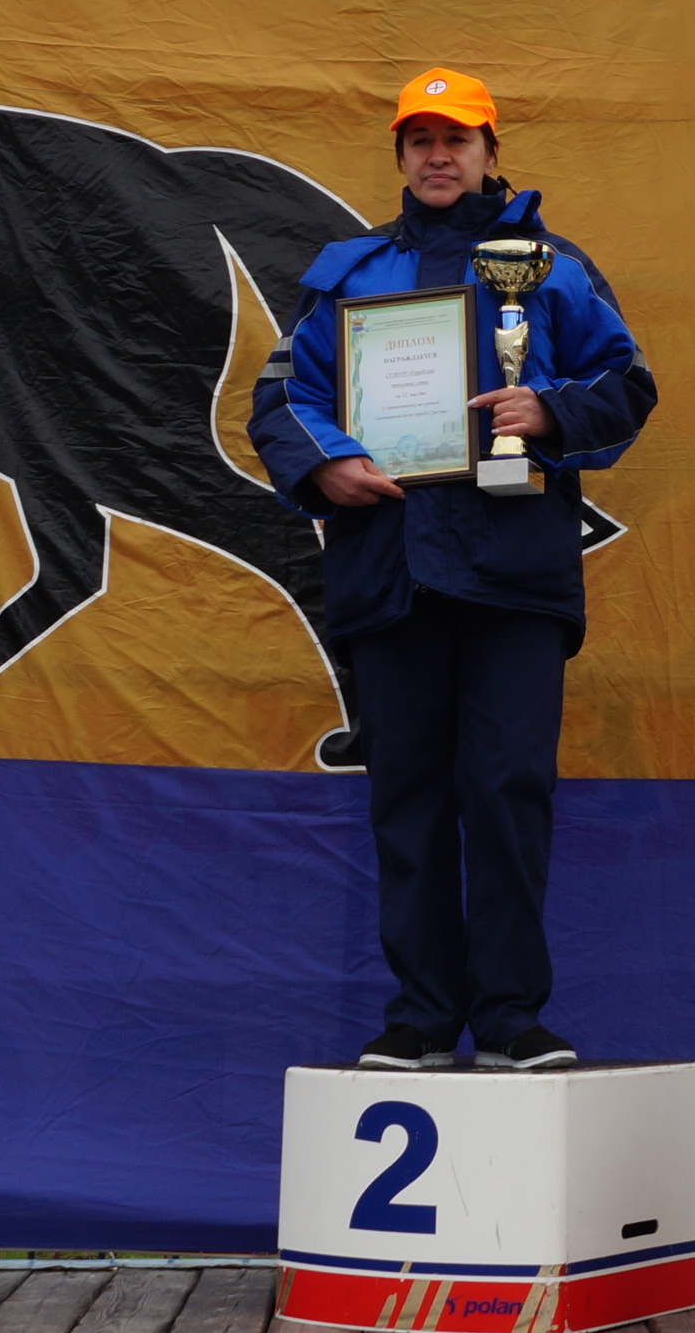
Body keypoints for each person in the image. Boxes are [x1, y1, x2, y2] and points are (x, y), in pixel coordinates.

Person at [251, 71, 654, 1070]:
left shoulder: (552, 268)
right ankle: (422, 1017)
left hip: (512, 574)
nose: (438, 156)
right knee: (409, 800)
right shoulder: (348, 275)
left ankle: (511, 1017)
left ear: (489, 152)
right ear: (399, 156)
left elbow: (627, 382)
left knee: (508, 792)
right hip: (390, 572)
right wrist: (326, 464)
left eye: (457, 139)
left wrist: (548, 410)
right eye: (420, 139)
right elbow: (283, 397)